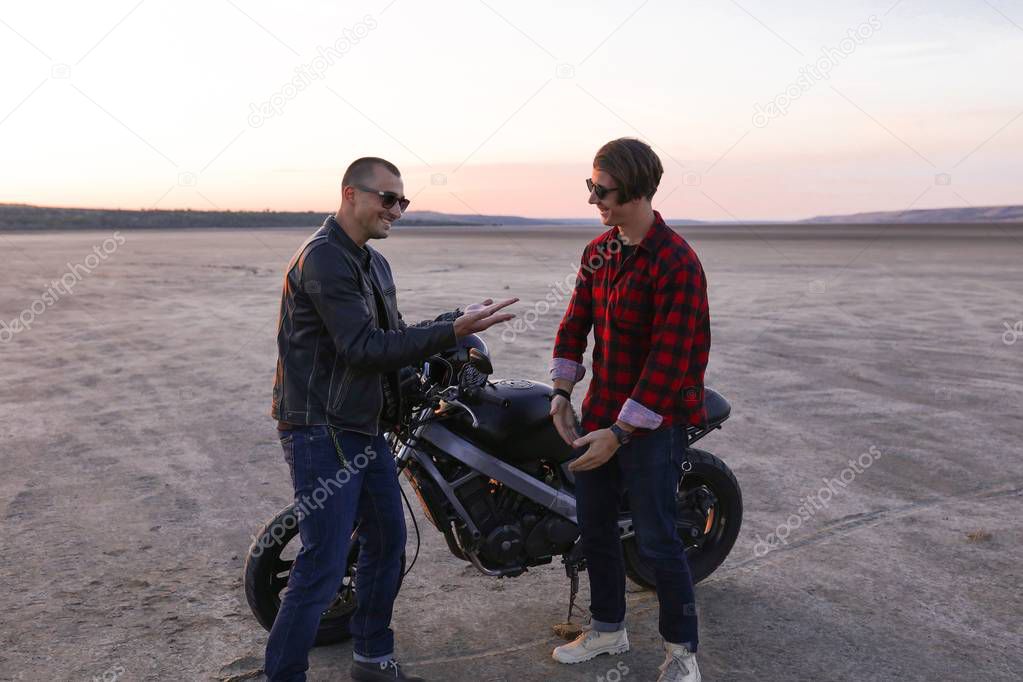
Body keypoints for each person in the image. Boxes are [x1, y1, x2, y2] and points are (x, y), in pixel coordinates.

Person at [267, 156, 517, 682]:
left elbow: (394, 339)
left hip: (363, 425)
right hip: (321, 428)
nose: (398, 210)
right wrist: (449, 333)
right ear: (350, 194)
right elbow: (362, 348)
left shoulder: (373, 264)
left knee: (386, 542)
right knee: (322, 564)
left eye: (403, 201)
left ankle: (373, 660)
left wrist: (454, 325)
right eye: (389, 198)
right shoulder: (324, 259)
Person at [548, 138, 710, 682]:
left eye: (604, 191)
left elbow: (669, 359)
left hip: (654, 424)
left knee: (658, 539)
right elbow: (574, 324)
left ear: (637, 189)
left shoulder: (677, 261)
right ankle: (608, 629)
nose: (595, 199)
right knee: (594, 529)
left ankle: (682, 652)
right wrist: (561, 392)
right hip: (600, 413)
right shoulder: (599, 252)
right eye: (590, 187)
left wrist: (621, 431)